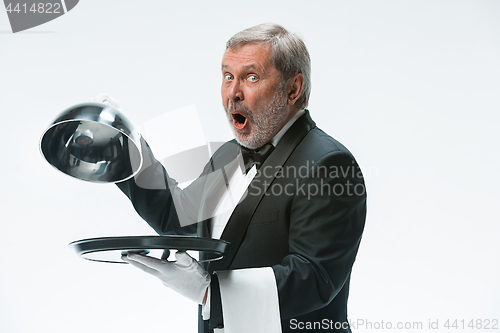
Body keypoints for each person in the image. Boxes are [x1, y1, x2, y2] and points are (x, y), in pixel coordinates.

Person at [117, 23, 366, 333]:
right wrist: (126, 150)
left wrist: (210, 292)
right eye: (227, 77)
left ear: (293, 89)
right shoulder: (229, 156)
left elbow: (314, 276)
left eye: (251, 77)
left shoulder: (329, 164)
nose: (233, 93)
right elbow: (177, 217)